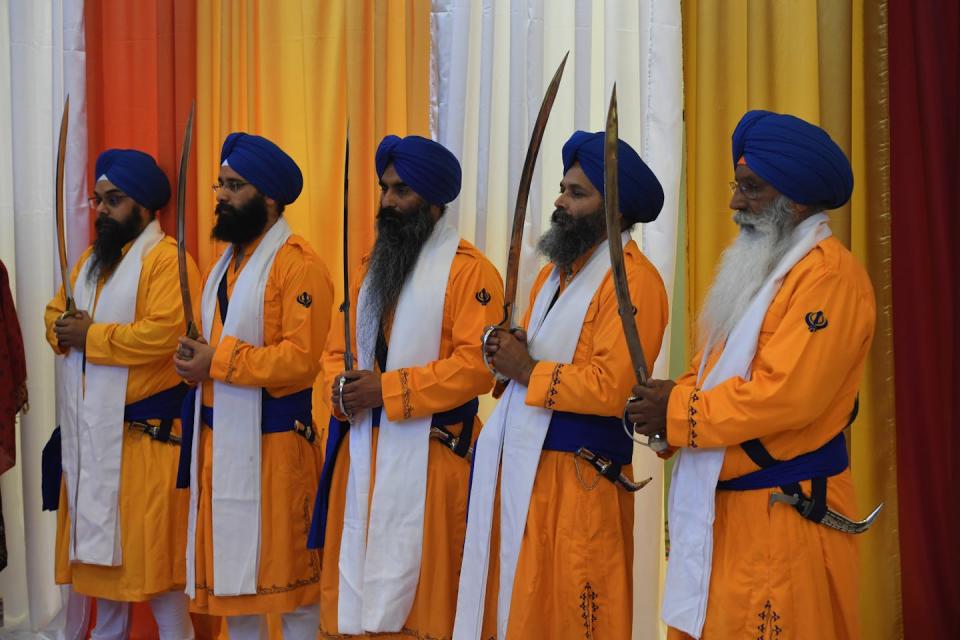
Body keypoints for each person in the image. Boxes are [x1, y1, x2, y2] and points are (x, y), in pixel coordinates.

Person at [626, 110, 875, 639]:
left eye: (751, 188)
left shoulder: (829, 278)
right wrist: (666, 415)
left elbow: (784, 397)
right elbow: (708, 371)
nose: (735, 203)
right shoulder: (761, 271)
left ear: (797, 198)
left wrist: (677, 411)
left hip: (783, 518)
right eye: (737, 186)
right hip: (726, 515)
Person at [454, 131, 669, 639]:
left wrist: (526, 368)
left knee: (571, 617)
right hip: (522, 474)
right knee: (519, 613)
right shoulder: (550, 278)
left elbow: (614, 387)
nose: (559, 200)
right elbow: (523, 368)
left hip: (581, 485)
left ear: (613, 212)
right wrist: (505, 354)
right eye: (562, 188)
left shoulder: (634, 282)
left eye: (577, 193)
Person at [310, 134, 504, 638]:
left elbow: (477, 367)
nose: (388, 202)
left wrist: (388, 391)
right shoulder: (368, 269)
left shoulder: (471, 272)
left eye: (402, 191)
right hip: (362, 458)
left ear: (434, 202)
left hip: (435, 463)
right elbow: (335, 352)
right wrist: (339, 389)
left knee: (427, 609)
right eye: (385, 189)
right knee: (357, 601)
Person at [173, 133, 333, 639]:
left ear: (267, 197)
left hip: (279, 450)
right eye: (219, 184)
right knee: (236, 593)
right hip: (218, 446)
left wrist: (215, 361)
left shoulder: (298, 263)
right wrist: (193, 360)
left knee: (293, 596)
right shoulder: (224, 266)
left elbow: (300, 361)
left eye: (234, 185)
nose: (219, 195)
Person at [44, 149, 200, 640]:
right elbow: (55, 315)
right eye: (98, 200)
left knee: (160, 582)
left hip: (149, 447)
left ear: (145, 207)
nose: (101, 210)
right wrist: (66, 329)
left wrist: (89, 336)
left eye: (114, 200)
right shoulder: (91, 262)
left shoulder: (168, 260)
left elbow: (163, 335)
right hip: (94, 441)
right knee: (102, 582)